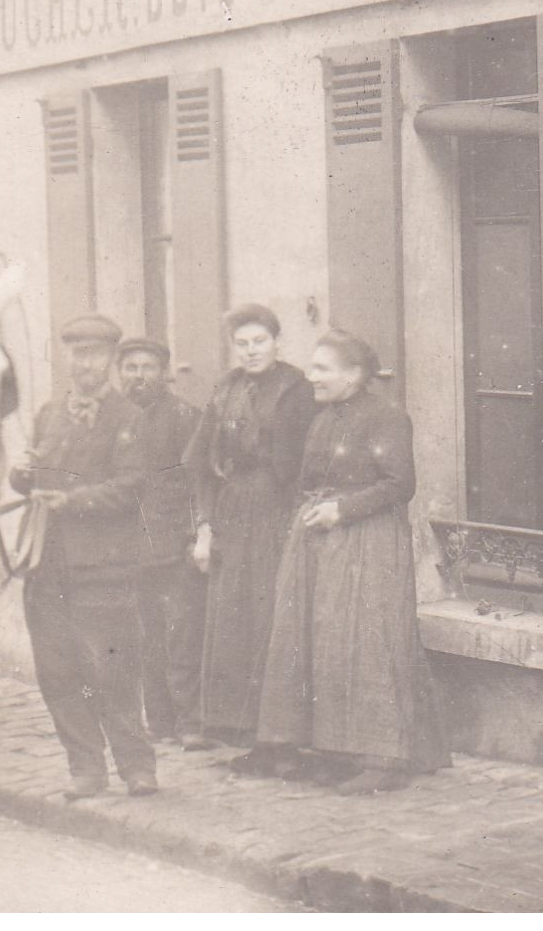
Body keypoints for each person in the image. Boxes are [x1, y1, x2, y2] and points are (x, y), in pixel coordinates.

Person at [254, 330, 451, 794]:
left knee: (370, 643)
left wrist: (342, 510)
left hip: (369, 541)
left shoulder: (386, 418)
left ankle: (386, 758)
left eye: (322, 368)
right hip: (323, 540)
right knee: (326, 642)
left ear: (355, 375)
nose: (311, 376)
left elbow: (400, 485)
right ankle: (337, 750)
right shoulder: (323, 419)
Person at [12, 314, 158, 800]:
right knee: (57, 671)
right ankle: (86, 769)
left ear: (111, 361)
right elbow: (33, 481)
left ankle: (137, 767)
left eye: (93, 354)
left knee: (114, 669)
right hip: (46, 564)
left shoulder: (129, 418)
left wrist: (72, 502)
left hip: (103, 566)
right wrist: (21, 474)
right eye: (76, 354)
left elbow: (133, 486)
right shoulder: (50, 413)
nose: (84, 364)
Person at [183, 304, 317, 767]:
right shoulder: (225, 389)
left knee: (271, 614)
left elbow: (305, 462)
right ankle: (237, 727)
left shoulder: (297, 388)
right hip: (232, 509)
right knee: (232, 613)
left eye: (260, 341)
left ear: (277, 342)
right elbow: (199, 463)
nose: (251, 350)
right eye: (242, 343)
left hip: (278, 508)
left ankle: (278, 732)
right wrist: (204, 526)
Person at [115, 337, 207, 749]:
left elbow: (199, 480)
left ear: (163, 372)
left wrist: (197, 533)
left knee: (183, 633)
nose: (139, 376)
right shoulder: (116, 420)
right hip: (131, 546)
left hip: (175, 542)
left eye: (147, 368)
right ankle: (160, 722)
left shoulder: (185, 416)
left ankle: (190, 722)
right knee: (145, 636)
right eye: (131, 368)